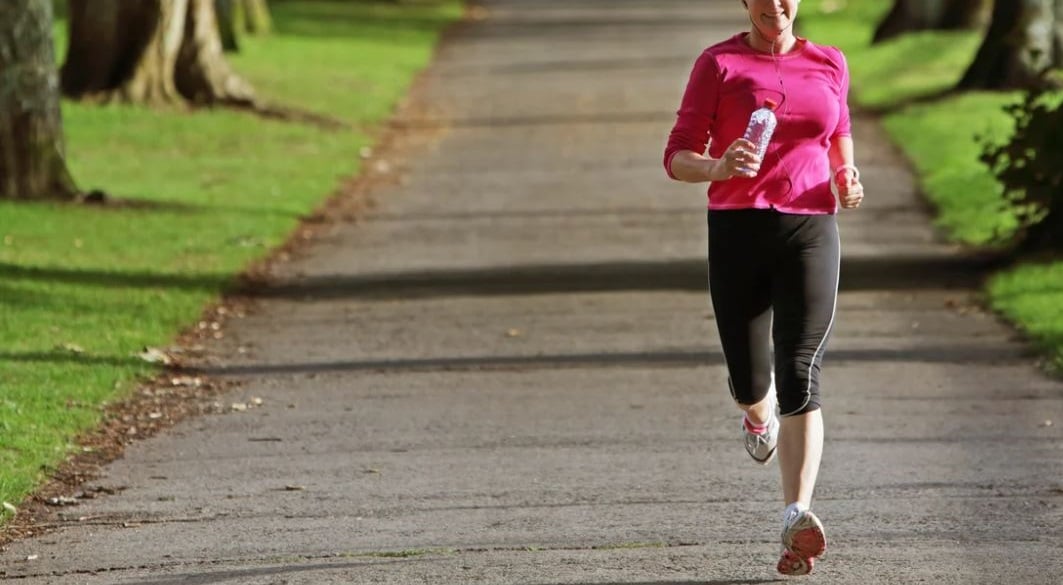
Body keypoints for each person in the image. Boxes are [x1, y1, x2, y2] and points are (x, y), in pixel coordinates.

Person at [663, 0, 864, 577]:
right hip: (737, 226)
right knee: (753, 382)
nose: (777, 5)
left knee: (800, 367)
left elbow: (838, 131)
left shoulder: (829, 61)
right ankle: (758, 417)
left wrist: (845, 175)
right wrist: (719, 167)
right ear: (746, 3)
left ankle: (795, 516)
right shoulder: (719, 64)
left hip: (810, 226)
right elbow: (676, 155)